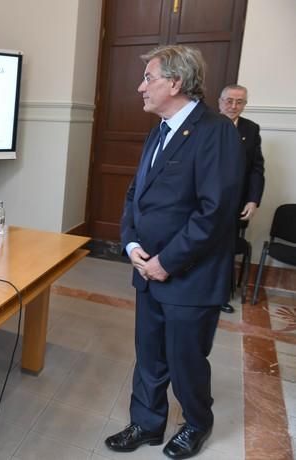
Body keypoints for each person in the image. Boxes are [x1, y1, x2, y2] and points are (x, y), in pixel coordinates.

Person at [106, 45, 243, 459]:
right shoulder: (160, 128)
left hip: (189, 276)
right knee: (149, 356)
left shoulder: (215, 130)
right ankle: (147, 424)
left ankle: (197, 423)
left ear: (176, 82)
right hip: (146, 270)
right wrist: (131, 244)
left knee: (186, 362)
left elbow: (215, 212)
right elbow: (136, 194)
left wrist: (166, 261)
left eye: (149, 78)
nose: (140, 87)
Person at [218, 84, 265, 313]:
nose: (233, 106)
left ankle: (220, 296)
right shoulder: (205, 125)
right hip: (202, 202)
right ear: (220, 102)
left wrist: (253, 200)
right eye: (229, 101)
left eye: (240, 102)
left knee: (226, 249)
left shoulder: (251, 129)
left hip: (234, 204)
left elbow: (256, 169)